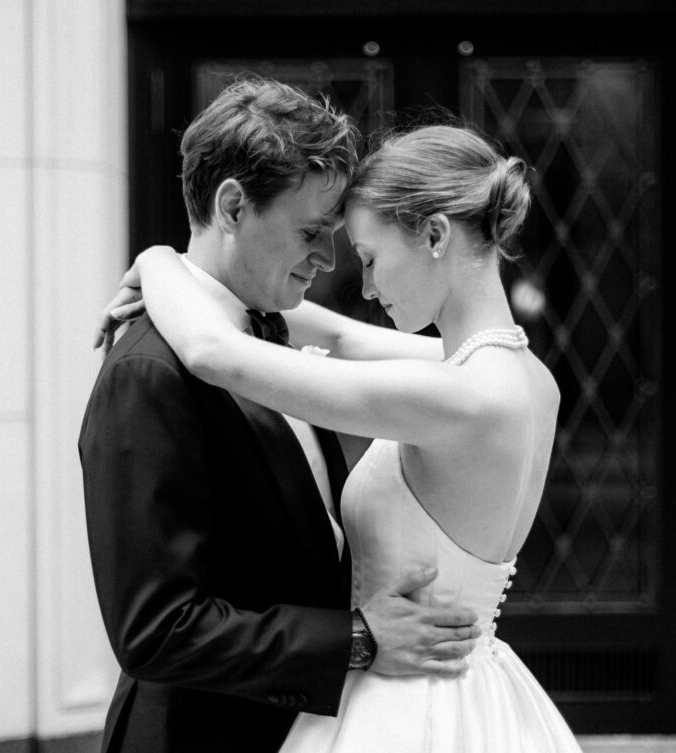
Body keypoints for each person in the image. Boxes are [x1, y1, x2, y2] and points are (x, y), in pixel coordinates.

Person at [104, 124, 580, 752]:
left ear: (435, 235)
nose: (367, 287)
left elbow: (213, 351)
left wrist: (158, 261)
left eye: (371, 259)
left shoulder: (447, 396)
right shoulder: (524, 377)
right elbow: (339, 336)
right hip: (475, 690)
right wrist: (201, 272)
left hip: (405, 703)